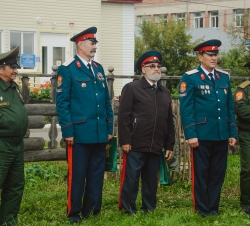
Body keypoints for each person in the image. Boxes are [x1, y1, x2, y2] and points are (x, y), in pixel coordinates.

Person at [56, 27, 113, 224]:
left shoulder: (97, 68)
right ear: (80, 44)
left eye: (95, 43)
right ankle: (74, 213)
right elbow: (62, 103)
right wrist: (67, 131)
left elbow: (106, 101)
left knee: (96, 174)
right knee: (77, 175)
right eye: (91, 42)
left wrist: (109, 128)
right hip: (79, 133)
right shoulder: (68, 68)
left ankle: (93, 210)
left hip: (98, 133)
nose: (94, 46)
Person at [179, 39, 237, 217]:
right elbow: (186, 108)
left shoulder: (223, 77)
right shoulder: (190, 77)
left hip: (220, 134)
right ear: (200, 56)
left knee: (217, 173)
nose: (214, 58)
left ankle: (213, 208)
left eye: (215, 55)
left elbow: (229, 108)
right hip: (201, 134)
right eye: (210, 55)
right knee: (201, 173)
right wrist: (191, 134)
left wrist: (232, 132)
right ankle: (202, 209)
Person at [118, 50, 175, 214]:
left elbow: (168, 120)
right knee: (132, 178)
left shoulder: (165, 92)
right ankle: (128, 208)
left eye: (158, 66)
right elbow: (124, 117)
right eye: (152, 66)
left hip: (156, 144)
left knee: (151, 179)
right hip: (135, 143)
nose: (156, 69)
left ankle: (149, 208)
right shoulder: (132, 88)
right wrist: (125, 140)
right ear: (143, 69)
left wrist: (169, 144)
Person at [0, 47, 28, 226]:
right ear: (1, 68)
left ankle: (8, 222)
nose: (16, 70)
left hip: (17, 146)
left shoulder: (13, 88)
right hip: (2, 145)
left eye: (16, 66)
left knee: (15, 187)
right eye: (12, 67)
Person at [234, 61, 250, 214]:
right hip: (248, 134)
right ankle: (246, 203)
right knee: (248, 168)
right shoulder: (243, 89)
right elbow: (242, 111)